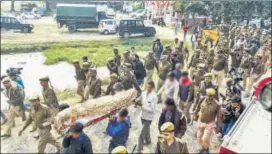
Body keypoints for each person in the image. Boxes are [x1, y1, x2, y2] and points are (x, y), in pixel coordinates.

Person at [193, 88, 222, 153]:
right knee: (199, 136)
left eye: (211, 96)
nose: (209, 97)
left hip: (209, 124)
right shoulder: (202, 99)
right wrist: (195, 114)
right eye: (208, 95)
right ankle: (200, 149)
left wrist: (219, 126)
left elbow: (219, 116)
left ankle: (206, 148)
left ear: (213, 96)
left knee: (205, 138)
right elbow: (198, 107)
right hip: (201, 122)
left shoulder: (217, 104)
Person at [136, 81, 158, 153]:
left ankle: (139, 149)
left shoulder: (154, 97)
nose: (148, 88)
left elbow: (152, 110)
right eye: (147, 86)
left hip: (148, 118)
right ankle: (148, 141)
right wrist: (136, 101)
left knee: (141, 133)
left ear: (153, 88)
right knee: (146, 130)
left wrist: (142, 106)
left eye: (150, 87)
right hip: (142, 116)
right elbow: (140, 99)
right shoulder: (143, 93)